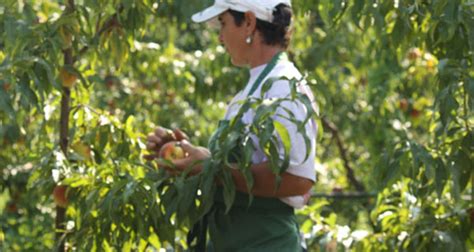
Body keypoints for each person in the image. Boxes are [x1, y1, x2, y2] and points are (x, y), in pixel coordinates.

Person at [146, 0, 317, 250]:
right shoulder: (253, 90)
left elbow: (297, 179)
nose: (220, 38)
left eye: (223, 24)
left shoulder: (284, 86)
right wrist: (186, 156)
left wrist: (211, 170)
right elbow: (241, 168)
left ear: (248, 22)